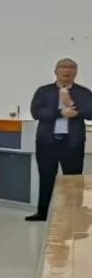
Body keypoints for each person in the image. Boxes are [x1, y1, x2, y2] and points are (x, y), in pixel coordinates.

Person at [28, 58, 92, 221]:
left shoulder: (84, 92)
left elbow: (90, 112)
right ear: (56, 71)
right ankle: (41, 213)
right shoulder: (43, 91)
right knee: (46, 178)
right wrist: (60, 113)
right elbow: (36, 112)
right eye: (63, 67)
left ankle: (73, 215)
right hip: (47, 143)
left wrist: (73, 107)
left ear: (76, 72)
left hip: (72, 143)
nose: (67, 70)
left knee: (73, 180)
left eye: (71, 67)